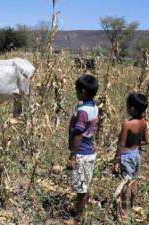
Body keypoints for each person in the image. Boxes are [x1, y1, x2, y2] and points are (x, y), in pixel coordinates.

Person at [65, 74, 99, 224]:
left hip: (82, 153)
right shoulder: (94, 107)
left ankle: (78, 218)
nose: (75, 92)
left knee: (81, 188)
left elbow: (78, 133)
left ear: (83, 92)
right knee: (83, 184)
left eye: (77, 90)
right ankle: (79, 209)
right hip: (89, 151)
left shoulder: (83, 112)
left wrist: (73, 155)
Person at [113, 92, 149, 223]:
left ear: (132, 108)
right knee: (134, 181)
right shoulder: (144, 123)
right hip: (136, 155)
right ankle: (133, 205)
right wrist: (137, 142)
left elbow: (121, 144)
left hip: (127, 156)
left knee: (125, 184)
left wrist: (116, 161)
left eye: (127, 106)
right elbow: (147, 141)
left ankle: (124, 212)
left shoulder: (127, 124)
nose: (127, 108)